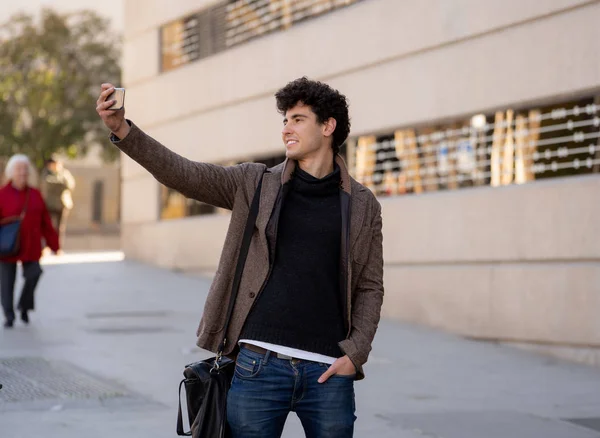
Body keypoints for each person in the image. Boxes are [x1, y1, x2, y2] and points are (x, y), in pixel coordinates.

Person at [96, 77, 384, 438]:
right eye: (284, 121)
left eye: (297, 119)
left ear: (328, 126)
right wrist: (122, 129)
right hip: (257, 366)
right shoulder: (256, 183)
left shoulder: (362, 205)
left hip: (328, 371)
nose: (286, 129)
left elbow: (370, 286)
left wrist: (355, 353)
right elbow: (183, 173)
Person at [0, 155, 60, 328]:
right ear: (11, 172)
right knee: (7, 282)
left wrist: (54, 244)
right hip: (7, 246)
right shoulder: (3, 194)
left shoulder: (35, 194)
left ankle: (24, 306)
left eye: (25, 169)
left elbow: (45, 222)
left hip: (31, 246)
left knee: (34, 273)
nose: (23, 173)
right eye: (19, 169)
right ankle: (9, 315)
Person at [40, 157, 75, 247]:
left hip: (62, 203)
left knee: (60, 227)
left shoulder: (64, 173)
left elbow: (69, 185)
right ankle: (47, 246)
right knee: (49, 226)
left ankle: (58, 247)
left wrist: (57, 184)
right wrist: (59, 184)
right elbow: (47, 184)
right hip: (50, 204)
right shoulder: (46, 173)